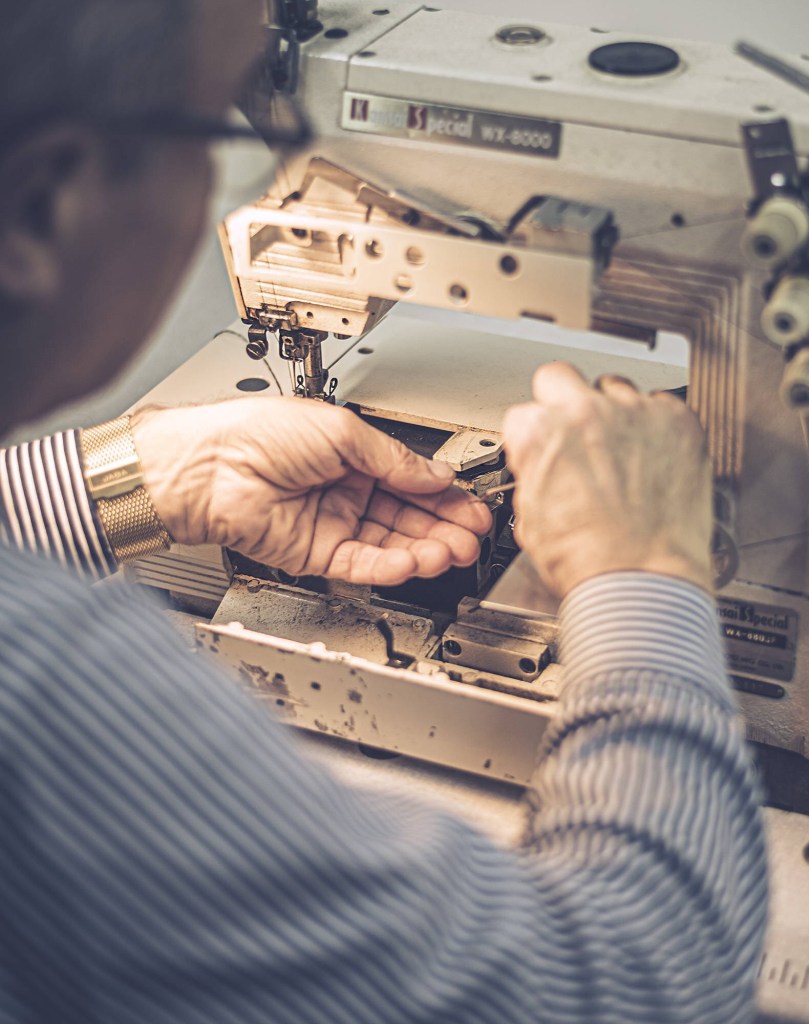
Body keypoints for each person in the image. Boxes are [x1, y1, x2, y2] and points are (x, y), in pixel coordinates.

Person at [0, 1, 768, 1021]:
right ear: (42, 206)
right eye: (221, 123)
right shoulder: (54, 691)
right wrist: (644, 571)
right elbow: (642, 979)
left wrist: (144, 476)